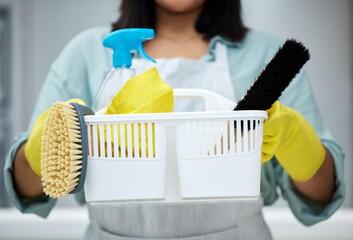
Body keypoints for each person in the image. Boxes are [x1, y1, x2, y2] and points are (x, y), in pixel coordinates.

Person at [5, 0, 345, 239]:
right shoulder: (87, 52)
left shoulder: (265, 53)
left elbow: (321, 193)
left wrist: (293, 137)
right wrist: (46, 145)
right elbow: (27, 188)